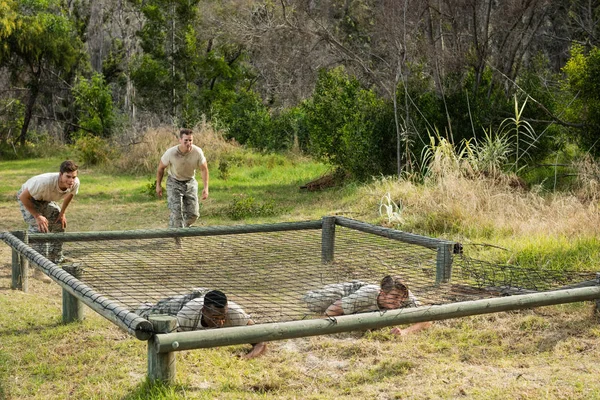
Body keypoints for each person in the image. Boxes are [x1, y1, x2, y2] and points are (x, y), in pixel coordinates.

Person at [136, 289, 267, 359]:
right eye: (215, 317)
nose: (220, 321)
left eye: (223, 316)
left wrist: (247, 358)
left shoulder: (235, 313)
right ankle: (145, 305)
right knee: (145, 314)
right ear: (204, 311)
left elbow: (261, 341)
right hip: (185, 303)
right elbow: (171, 343)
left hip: (207, 296)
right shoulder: (186, 316)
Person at [303, 275, 432, 336]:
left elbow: (427, 318)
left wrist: (404, 332)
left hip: (362, 296)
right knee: (312, 302)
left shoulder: (405, 296)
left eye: (401, 298)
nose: (399, 302)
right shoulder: (365, 296)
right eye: (394, 297)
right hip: (349, 291)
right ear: (382, 293)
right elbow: (333, 309)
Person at [17, 160, 80, 281]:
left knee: (59, 223)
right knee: (41, 228)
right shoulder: (43, 182)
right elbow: (23, 197)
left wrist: (62, 213)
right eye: (68, 176)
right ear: (60, 174)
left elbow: (70, 195)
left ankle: (55, 258)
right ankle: (39, 270)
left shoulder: (75, 183)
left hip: (45, 199)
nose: (71, 180)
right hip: (29, 199)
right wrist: (37, 216)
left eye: (73, 177)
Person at [156, 128, 209, 239]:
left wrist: (206, 188)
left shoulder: (197, 152)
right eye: (186, 141)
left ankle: (177, 229)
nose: (188, 143)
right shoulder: (171, 153)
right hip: (174, 182)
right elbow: (161, 168)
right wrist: (158, 185)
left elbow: (204, 169)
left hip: (190, 182)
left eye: (190, 140)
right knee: (177, 213)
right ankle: (177, 237)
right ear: (180, 140)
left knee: (194, 214)